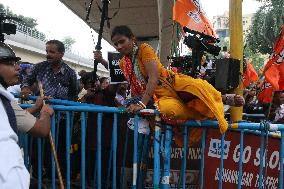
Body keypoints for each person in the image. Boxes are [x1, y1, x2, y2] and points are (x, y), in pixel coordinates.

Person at [106, 25, 245, 146]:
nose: (119, 46)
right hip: (157, 99)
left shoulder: (144, 49)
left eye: (122, 41)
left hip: (171, 84)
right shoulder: (122, 63)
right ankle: (206, 110)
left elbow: (153, 78)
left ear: (132, 38)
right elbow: (136, 86)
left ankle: (223, 98)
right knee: (168, 110)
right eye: (115, 44)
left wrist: (141, 104)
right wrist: (139, 103)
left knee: (198, 89)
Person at [0, 42, 53, 188]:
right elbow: (42, 129)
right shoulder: (4, 100)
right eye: (10, 63)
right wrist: (45, 113)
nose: (18, 68)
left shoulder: (5, 101)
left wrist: (36, 107)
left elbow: (13, 116)